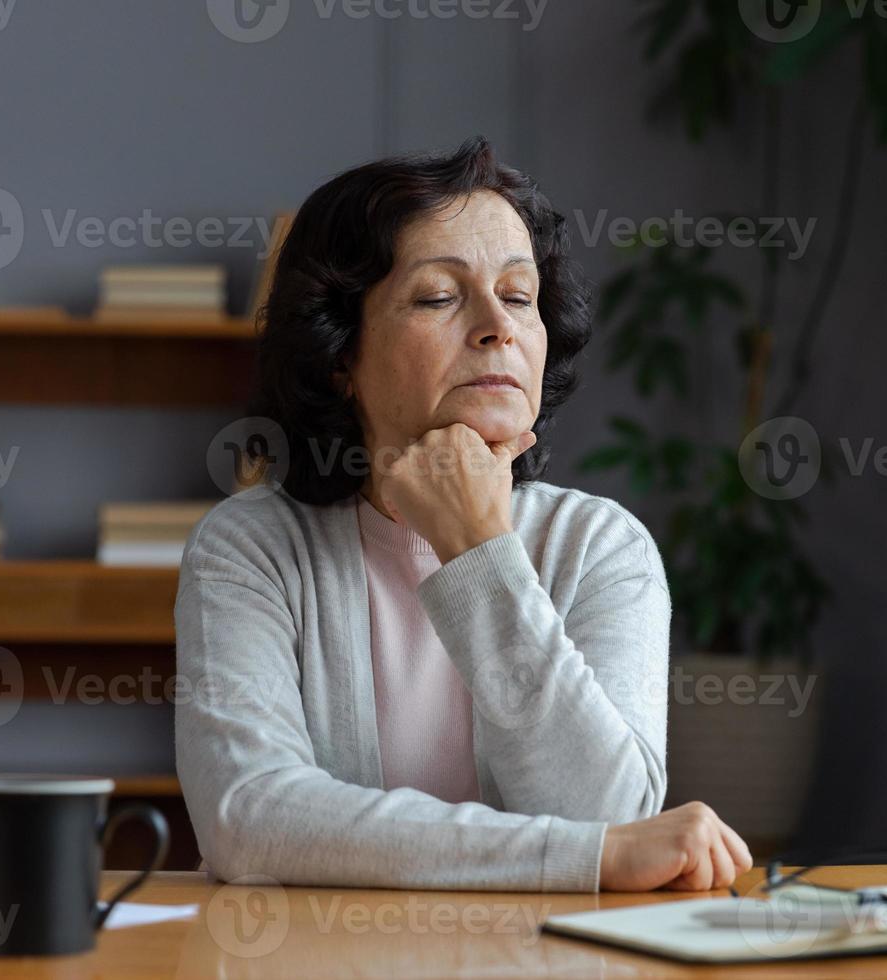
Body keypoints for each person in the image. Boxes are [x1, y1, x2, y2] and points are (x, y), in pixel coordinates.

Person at [175, 137, 751, 892]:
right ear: (339, 354)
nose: (497, 326)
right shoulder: (249, 548)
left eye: (518, 296)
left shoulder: (602, 546)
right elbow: (248, 821)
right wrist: (577, 858)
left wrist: (477, 548)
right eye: (439, 297)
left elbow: (604, 808)